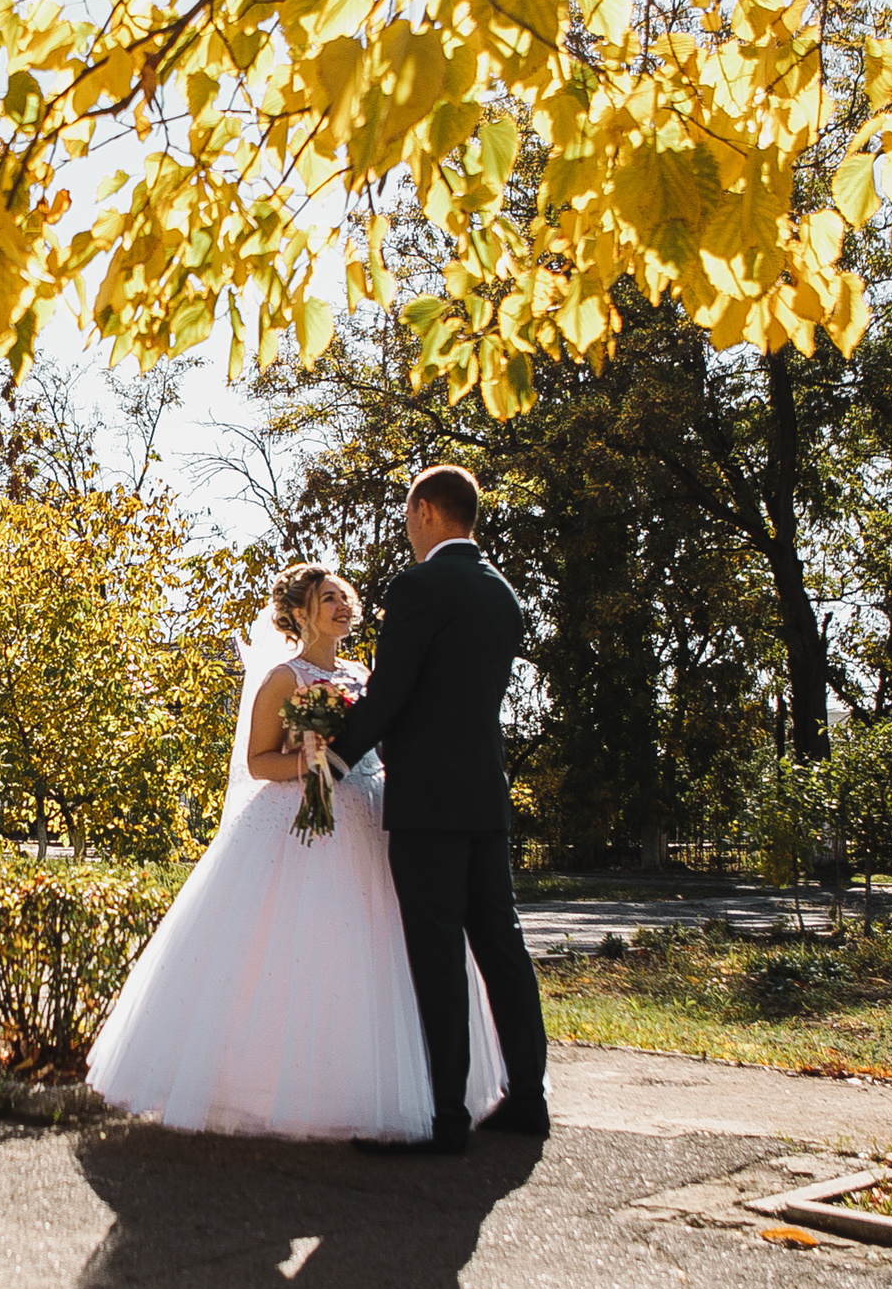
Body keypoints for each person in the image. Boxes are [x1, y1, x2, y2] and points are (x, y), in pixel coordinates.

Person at [84, 563, 506, 1140]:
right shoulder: (284, 677)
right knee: (300, 949)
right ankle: (277, 1089)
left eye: (345, 597)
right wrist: (309, 765)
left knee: (381, 945)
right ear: (301, 613)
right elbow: (259, 761)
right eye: (327, 599)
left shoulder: (367, 674)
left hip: (372, 816)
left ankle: (390, 1086)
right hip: (299, 822)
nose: (342, 606)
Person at [324, 465, 548, 1156]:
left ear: (425, 510)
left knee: (439, 956)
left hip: (427, 803)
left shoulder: (418, 587)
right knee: (502, 946)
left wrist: (332, 756)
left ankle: (448, 1119)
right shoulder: (501, 594)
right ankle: (528, 1101)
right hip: (485, 796)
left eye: (406, 512)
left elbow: (392, 692)